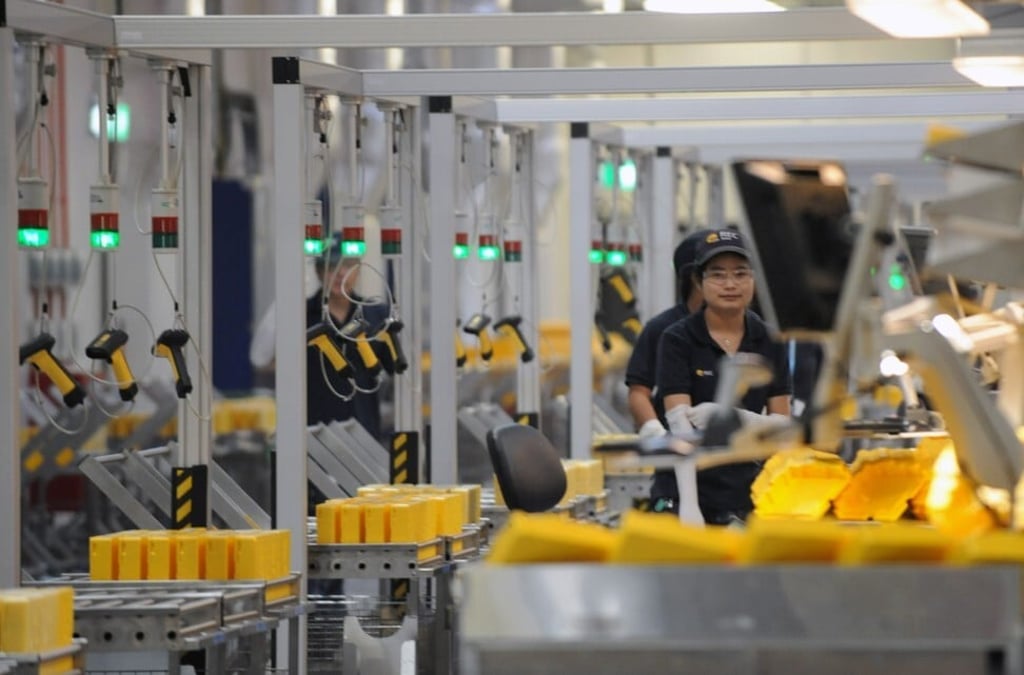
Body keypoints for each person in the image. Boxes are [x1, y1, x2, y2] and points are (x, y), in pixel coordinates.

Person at [654, 229, 791, 524]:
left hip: (745, 488)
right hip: (684, 483)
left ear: (753, 280)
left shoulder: (770, 339)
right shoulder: (678, 338)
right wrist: (689, 503)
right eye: (718, 274)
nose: (730, 284)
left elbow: (783, 427)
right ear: (700, 282)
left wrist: (738, 419)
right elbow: (680, 424)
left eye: (740, 273)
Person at [625, 229, 711, 439]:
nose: (729, 283)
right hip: (677, 450)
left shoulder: (752, 330)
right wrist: (656, 434)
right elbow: (639, 392)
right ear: (694, 278)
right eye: (716, 272)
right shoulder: (662, 328)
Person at [305, 234, 390, 436]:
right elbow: (263, 356)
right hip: (316, 435)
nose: (340, 274)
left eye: (348, 266)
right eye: (332, 267)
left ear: (358, 270)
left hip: (364, 432)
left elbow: (395, 369)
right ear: (318, 271)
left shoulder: (375, 314)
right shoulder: (302, 316)